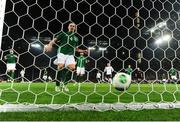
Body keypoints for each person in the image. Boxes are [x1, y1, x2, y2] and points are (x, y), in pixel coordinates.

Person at [44, 22, 87, 92]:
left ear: (75, 28)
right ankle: (57, 86)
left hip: (70, 54)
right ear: (68, 27)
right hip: (62, 53)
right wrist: (50, 45)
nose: (72, 27)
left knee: (72, 68)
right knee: (60, 67)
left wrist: (83, 51)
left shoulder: (76, 38)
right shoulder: (63, 34)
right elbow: (54, 40)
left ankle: (65, 85)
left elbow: (75, 48)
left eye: (73, 26)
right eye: (71, 26)